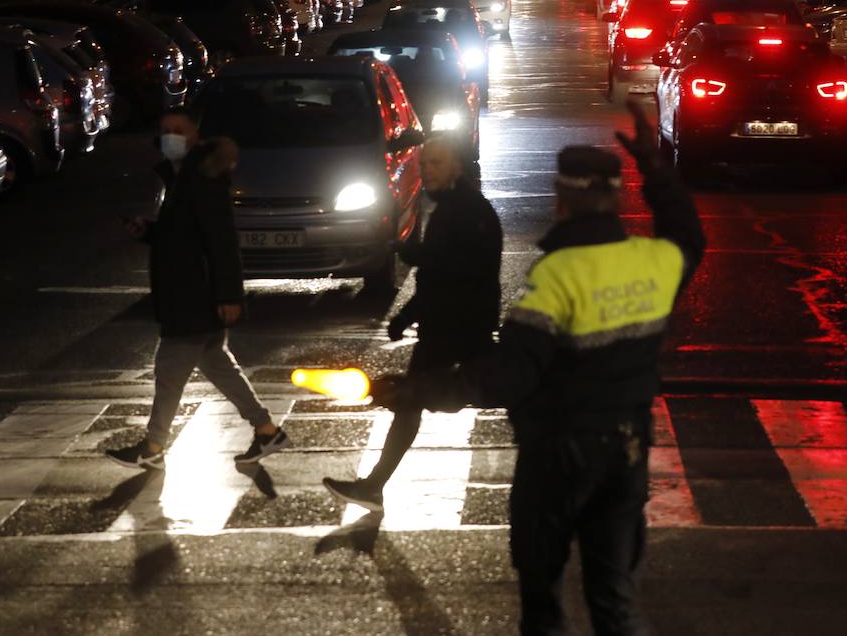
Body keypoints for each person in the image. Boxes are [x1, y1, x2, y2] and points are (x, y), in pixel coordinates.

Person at [372, 102, 705, 636]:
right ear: (616, 197)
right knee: (614, 598)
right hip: (628, 450)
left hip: (559, 456)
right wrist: (658, 171)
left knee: (543, 597)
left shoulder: (558, 276)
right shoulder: (656, 264)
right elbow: (689, 236)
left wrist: (417, 390)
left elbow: (508, 374)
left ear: (562, 201)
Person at [323, 136, 502, 510]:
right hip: (450, 324)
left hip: (456, 327)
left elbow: (456, 270)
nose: (427, 170)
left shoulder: (467, 211)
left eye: (436, 163)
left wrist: (415, 257)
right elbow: (441, 272)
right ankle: (373, 486)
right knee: (424, 400)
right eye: (424, 164)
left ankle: (373, 486)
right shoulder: (453, 207)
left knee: (425, 399)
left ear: (456, 165)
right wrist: (408, 314)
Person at [106, 110, 288, 470]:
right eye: (164, 131)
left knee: (169, 370)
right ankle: (267, 430)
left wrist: (229, 295)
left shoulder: (202, 178)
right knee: (219, 366)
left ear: (195, 135)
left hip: (195, 294)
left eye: (178, 130)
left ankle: (154, 445)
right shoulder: (183, 177)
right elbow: (183, 236)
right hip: (189, 291)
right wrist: (150, 232)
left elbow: (221, 240)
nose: (170, 136)